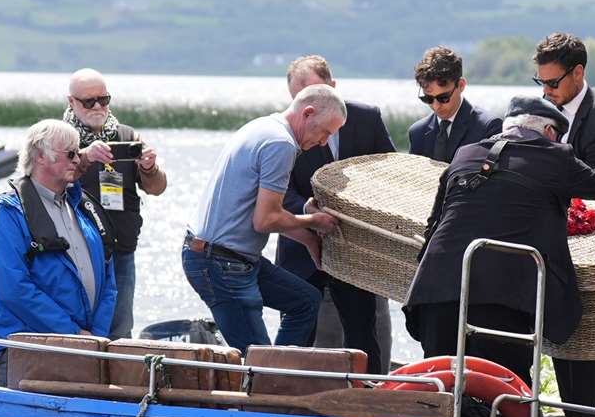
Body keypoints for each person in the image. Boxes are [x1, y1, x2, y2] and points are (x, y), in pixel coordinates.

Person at [405, 97, 595, 376]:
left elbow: (434, 224)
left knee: (437, 390)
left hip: (436, 292)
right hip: (503, 297)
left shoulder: (465, 154)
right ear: (550, 132)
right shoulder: (554, 157)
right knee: (507, 394)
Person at [182, 85, 345, 353]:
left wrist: (308, 240)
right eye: (325, 132)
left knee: (306, 301)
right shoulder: (281, 144)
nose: (324, 141)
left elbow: (259, 212)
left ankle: (279, 370)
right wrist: (313, 221)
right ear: (308, 113)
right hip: (221, 264)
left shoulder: (262, 125)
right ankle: (270, 377)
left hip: (230, 257)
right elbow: (265, 220)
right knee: (257, 361)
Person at [274, 55, 395, 373]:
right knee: (298, 332)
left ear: (333, 86)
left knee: (363, 331)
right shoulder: (281, 131)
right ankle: (284, 396)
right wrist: (306, 210)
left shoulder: (367, 118)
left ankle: (372, 396)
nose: (307, 109)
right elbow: (275, 192)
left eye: (314, 94)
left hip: (355, 246)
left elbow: (389, 173)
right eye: (299, 100)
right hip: (301, 246)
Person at [531, 32, 595, 412]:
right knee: (556, 344)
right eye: (540, 82)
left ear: (578, 73)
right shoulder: (542, 109)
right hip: (548, 247)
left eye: (553, 83)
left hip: (586, 251)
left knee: (583, 349)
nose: (546, 91)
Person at [0, 119, 117, 349]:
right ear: (40, 156)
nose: (77, 160)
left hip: (88, 343)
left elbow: (108, 276)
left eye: (77, 153)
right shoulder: (12, 213)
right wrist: (73, 333)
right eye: (69, 154)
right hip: (30, 347)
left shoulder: (84, 207)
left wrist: (95, 335)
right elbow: (12, 288)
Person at [62, 68, 166, 339]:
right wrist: (84, 156)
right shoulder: (59, 138)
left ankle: (120, 376)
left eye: (103, 99)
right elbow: (43, 181)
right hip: (74, 251)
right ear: (71, 102)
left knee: (120, 329)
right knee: (78, 325)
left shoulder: (127, 135)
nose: (98, 106)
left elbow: (157, 188)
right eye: (89, 101)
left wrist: (149, 167)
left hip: (120, 248)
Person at [407, 46, 502, 161]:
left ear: (461, 85)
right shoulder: (417, 133)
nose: (436, 106)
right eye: (428, 99)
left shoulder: (489, 127)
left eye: (444, 98)